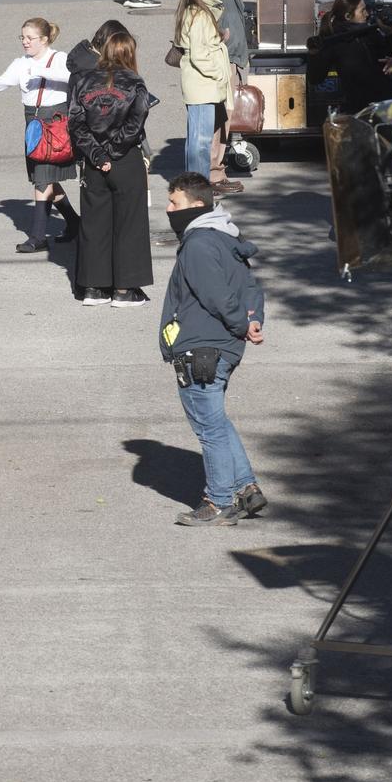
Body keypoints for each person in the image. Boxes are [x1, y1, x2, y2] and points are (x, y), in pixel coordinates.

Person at [159, 173, 269, 526]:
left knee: (208, 427)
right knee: (217, 422)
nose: (168, 209)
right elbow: (250, 289)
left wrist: (240, 323)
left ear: (196, 205)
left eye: (174, 203)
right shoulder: (225, 239)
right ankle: (245, 487)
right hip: (223, 347)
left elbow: (216, 296)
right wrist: (252, 321)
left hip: (201, 348)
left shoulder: (198, 245)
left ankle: (219, 501)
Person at [0, 17, 79, 253]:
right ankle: (75, 223)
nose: (25, 42)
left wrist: (42, 70)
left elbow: (74, 77)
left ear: (45, 39)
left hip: (55, 122)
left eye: (30, 38)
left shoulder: (59, 58)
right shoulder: (21, 63)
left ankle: (38, 236)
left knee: (42, 179)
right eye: (23, 37)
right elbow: (4, 82)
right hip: (33, 124)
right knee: (48, 178)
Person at [67, 29, 156, 308]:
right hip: (126, 158)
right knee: (130, 223)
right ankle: (124, 289)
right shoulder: (135, 83)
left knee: (94, 223)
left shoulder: (84, 81)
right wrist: (114, 150)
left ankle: (94, 287)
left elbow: (76, 123)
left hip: (93, 162)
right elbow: (136, 121)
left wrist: (96, 153)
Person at [197, 0, 252, 189]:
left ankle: (216, 171)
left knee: (224, 117)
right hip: (220, 59)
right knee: (218, 118)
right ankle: (211, 173)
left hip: (230, 56)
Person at [173, 0, 232, 183]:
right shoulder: (199, 14)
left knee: (198, 140)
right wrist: (218, 74)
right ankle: (197, 187)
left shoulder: (194, 11)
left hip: (200, 84)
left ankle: (195, 185)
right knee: (201, 141)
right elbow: (199, 55)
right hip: (202, 85)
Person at [306, 0, 392, 117]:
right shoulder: (335, 41)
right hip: (358, 112)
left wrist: (391, 35)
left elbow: (388, 62)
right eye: (362, 11)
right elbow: (315, 78)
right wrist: (314, 54)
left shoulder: (371, 34)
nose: (367, 14)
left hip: (384, 107)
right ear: (348, 16)